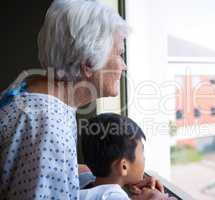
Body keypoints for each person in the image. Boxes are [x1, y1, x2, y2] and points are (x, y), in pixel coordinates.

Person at [0, 0, 161, 199]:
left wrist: (119, 179)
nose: (124, 65)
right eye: (119, 54)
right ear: (89, 64)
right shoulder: (47, 127)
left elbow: (49, 172)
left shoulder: (34, 87)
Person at [80, 113, 176, 200]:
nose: (144, 158)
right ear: (124, 166)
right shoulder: (113, 197)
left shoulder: (84, 179)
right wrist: (156, 197)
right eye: (142, 152)